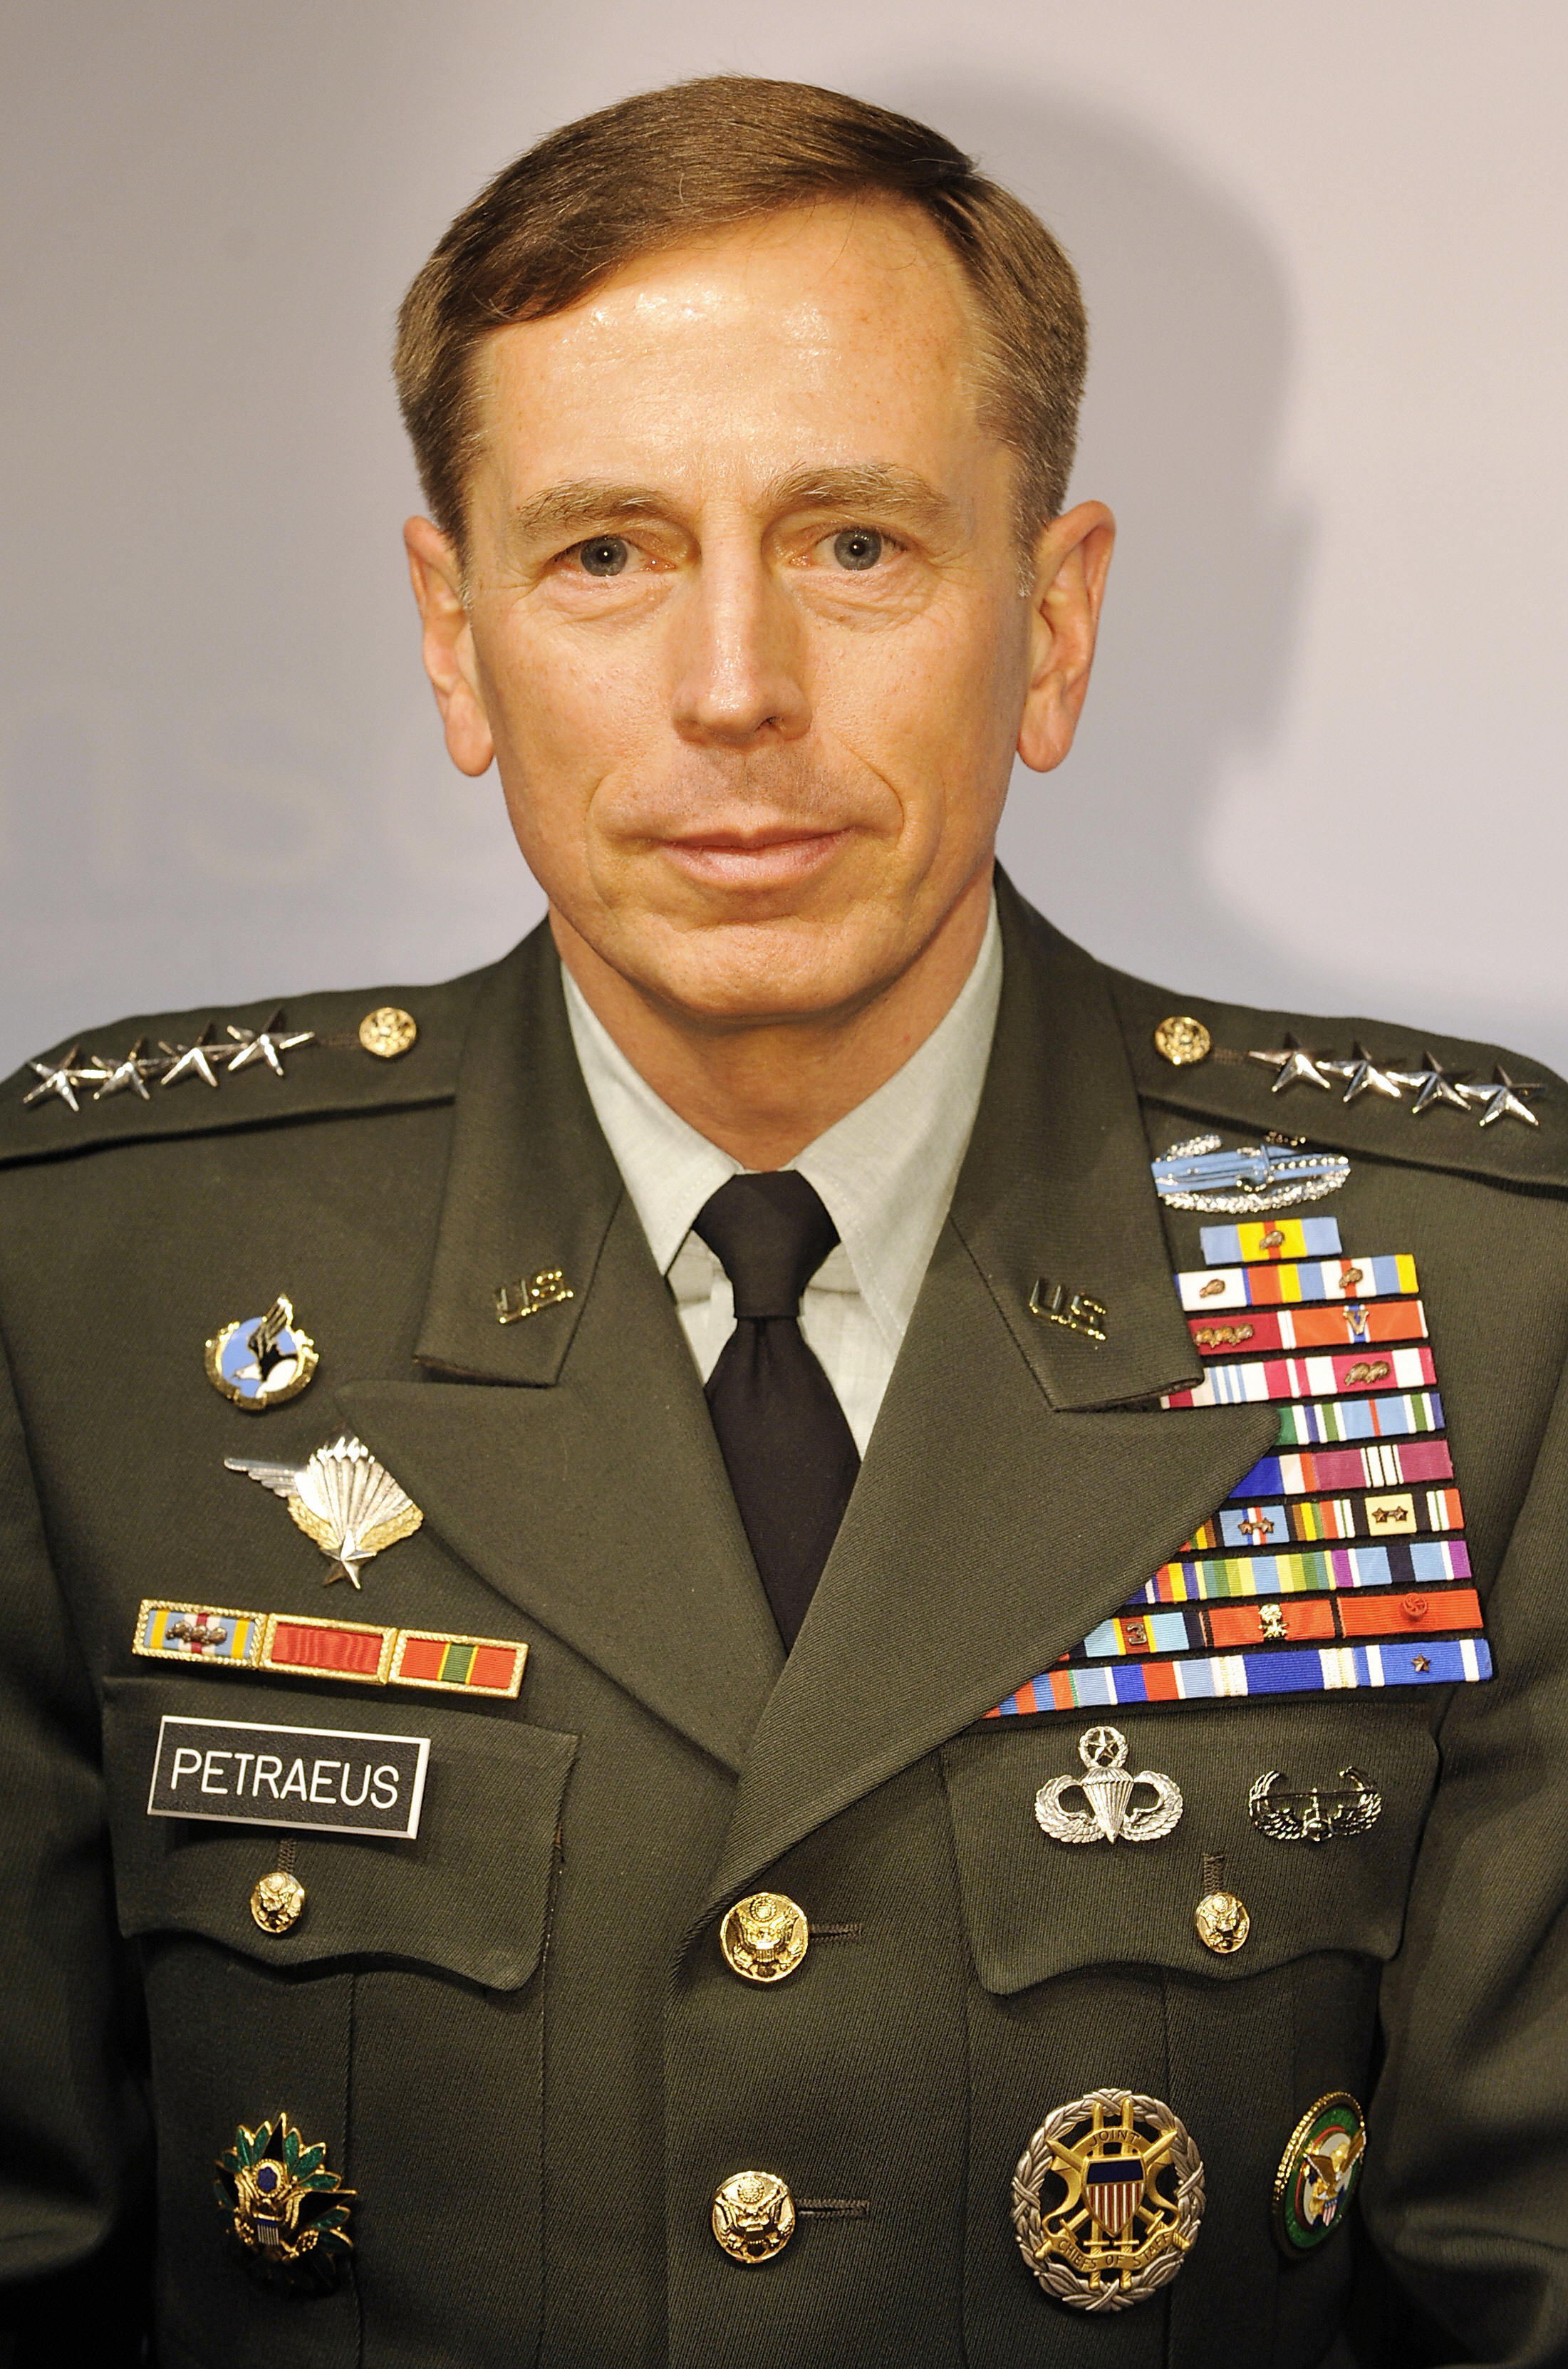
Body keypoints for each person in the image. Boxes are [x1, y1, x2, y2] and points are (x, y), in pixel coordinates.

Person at [1, 73, 1564, 2369]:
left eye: (852, 544)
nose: (732, 692)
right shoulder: (94, 1285)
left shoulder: (1478, 1292)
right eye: (605, 555)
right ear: (452, 635)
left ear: (1052, 621)